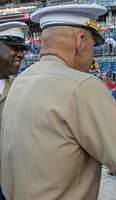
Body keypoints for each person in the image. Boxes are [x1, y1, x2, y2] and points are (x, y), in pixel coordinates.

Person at [0, 4, 116, 200]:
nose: (92, 56)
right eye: (92, 46)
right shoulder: (82, 85)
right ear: (80, 41)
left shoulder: (20, 81)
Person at [0, 21, 29, 200]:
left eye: (22, 49)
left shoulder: (25, 88)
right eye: (14, 47)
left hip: (11, 178)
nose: (20, 54)